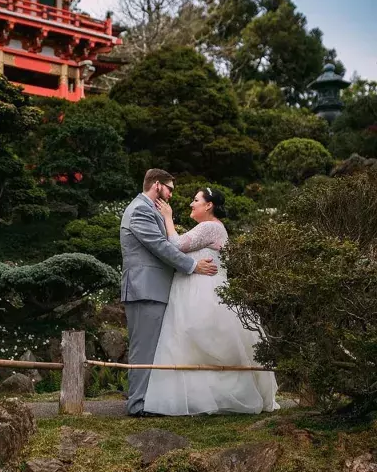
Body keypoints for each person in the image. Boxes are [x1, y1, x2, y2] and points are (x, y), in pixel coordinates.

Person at [143, 187, 280, 415]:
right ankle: (201, 398)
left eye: (195, 200)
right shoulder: (206, 228)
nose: (191, 204)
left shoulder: (210, 227)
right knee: (190, 343)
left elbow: (176, 245)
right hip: (192, 291)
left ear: (209, 205)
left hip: (203, 292)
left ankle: (218, 397)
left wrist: (168, 218)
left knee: (201, 339)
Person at [120, 169, 218, 417]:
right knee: (143, 349)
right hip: (145, 288)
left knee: (150, 347)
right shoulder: (140, 210)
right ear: (156, 185)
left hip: (152, 288)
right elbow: (160, 246)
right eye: (170, 189)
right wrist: (193, 266)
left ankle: (144, 400)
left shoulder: (149, 209)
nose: (172, 194)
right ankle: (138, 405)